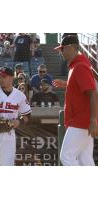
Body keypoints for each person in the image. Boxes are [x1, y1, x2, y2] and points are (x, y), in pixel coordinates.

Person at [53, 35, 98, 166]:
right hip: (83, 121)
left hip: (81, 121)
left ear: (71, 47)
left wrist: (93, 120)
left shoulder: (80, 66)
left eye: (62, 49)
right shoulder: (77, 66)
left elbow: (93, 93)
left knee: (66, 156)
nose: (61, 52)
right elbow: (83, 87)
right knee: (85, 159)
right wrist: (67, 84)